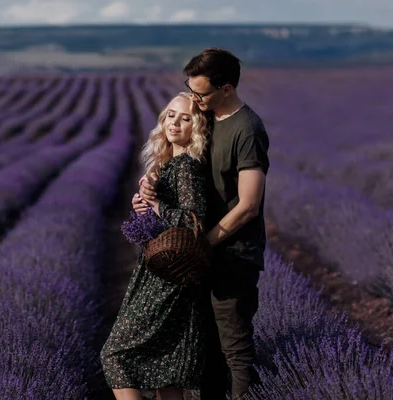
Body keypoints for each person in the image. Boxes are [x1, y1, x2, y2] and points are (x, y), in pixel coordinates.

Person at [134, 48, 270, 400]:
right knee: (205, 350)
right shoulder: (207, 120)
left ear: (226, 89)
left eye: (201, 93)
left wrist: (202, 242)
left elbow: (249, 205)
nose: (195, 100)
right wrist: (150, 188)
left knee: (235, 351)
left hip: (233, 255)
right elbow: (181, 166)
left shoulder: (247, 129)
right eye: (190, 90)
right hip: (202, 255)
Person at [100, 92, 212, 400]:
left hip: (167, 279)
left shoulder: (187, 167)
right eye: (171, 115)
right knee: (166, 368)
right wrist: (143, 211)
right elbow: (161, 224)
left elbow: (193, 223)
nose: (175, 122)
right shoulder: (168, 165)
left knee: (115, 356)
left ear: (198, 128)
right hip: (160, 272)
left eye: (186, 118)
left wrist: (156, 204)